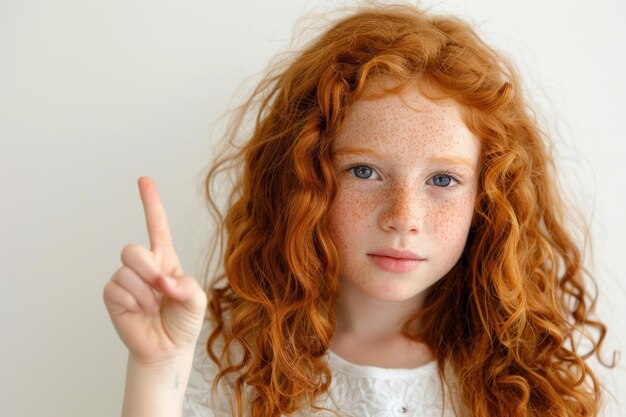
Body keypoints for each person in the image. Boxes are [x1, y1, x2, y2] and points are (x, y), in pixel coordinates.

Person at [103, 3, 615, 417]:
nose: (402, 216)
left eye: (442, 179)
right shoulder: (231, 358)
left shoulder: (521, 376)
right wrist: (157, 366)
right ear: (304, 178)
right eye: (365, 172)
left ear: (488, 199)